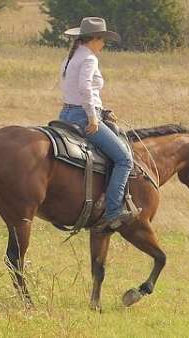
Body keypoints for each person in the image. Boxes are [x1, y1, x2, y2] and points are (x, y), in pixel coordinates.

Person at [59, 17, 139, 230]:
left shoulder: (72, 56)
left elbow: (79, 91)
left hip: (66, 114)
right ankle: (113, 211)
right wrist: (93, 117)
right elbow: (85, 89)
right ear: (94, 39)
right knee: (124, 159)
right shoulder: (89, 59)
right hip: (83, 116)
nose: (103, 44)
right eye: (102, 40)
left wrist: (102, 111)